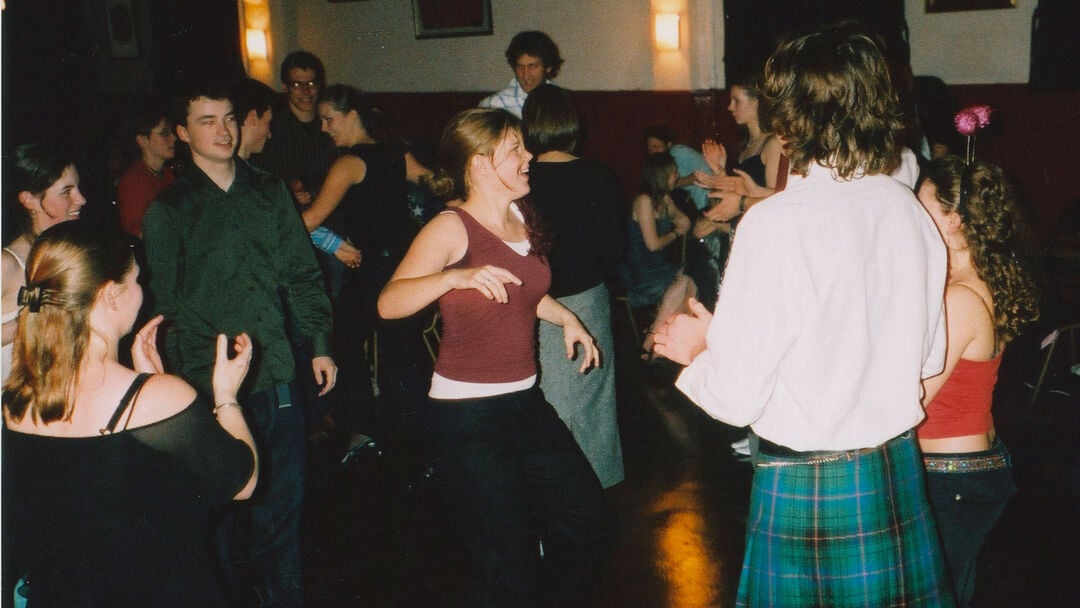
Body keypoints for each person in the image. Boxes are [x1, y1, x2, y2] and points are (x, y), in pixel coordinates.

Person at [653, 27, 954, 607]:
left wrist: (699, 349)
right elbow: (926, 359)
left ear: (790, 118)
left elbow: (736, 398)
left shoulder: (777, 222)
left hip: (809, 480)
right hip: (893, 467)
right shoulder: (908, 209)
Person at [378, 108, 614, 607]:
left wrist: (566, 318)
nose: (529, 156)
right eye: (516, 149)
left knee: (586, 520)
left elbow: (522, 288)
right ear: (480, 163)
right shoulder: (451, 227)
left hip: (525, 403)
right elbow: (389, 302)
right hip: (467, 415)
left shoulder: (521, 216)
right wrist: (453, 277)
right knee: (506, 558)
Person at [142, 81, 336, 608]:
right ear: (183, 133)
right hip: (207, 383)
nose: (223, 130)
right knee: (220, 520)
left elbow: (302, 271)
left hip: (276, 370)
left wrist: (319, 343)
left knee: (282, 513)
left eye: (228, 118)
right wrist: (181, 393)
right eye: (207, 121)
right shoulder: (169, 210)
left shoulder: (269, 190)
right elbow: (165, 309)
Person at [2, 221, 257, 607]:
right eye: (136, 279)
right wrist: (226, 395)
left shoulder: (15, 400)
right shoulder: (161, 397)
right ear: (110, 295)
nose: (143, 290)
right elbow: (243, 483)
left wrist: (151, 383)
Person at [916, 156, 1039, 607]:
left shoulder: (959, 297)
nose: (912, 214)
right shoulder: (969, 281)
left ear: (953, 221)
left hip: (952, 474)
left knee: (933, 594)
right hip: (964, 468)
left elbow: (914, 397)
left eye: (921, 205)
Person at [303, 83, 431, 464]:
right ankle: (414, 442)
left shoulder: (348, 163)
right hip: (405, 266)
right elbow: (433, 181)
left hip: (370, 269)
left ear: (352, 116)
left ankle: (364, 432)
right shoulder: (395, 151)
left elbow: (310, 220)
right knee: (400, 354)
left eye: (329, 119)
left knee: (344, 344)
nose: (324, 128)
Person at [521, 83, 625, 488]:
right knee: (592, 398)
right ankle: (594, 486)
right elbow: (615, 247)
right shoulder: (598, 174)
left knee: (545, 397)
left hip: (533, 300)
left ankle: (556, 489)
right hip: (586, 295)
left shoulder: (521, 179)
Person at [233, 77, 361, 270]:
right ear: (252, 118)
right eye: (268, 123)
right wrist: (332, 243)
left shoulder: (249, 173)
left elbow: (278, 222)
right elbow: (273, 229)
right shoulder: (235, 176)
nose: (269, 134)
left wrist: (332, 243)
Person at [2, 143, 86, 382]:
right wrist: (28, 323)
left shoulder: (62, 256)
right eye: (66, 191)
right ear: (29, 200)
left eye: (77, 188)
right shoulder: (7, 264)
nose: (81, 199)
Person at [621, 152, 693, 357]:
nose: (677, 176)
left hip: (657, 265)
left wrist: (679, 222)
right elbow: (652, 245)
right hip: (639, 269)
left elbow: (685, 221)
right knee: (686, 282)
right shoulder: (644, 200)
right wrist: (675, 232)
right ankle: (655, 340)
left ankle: (654, 344)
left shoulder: (664, 199)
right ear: (662, 174)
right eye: (673, 172)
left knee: (692, 278)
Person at [694, 74, 783, 222]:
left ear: (756, 103)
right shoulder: (747, 143)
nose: (730, 107)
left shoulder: (772, 144)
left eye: (736, 101)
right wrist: (719, 172)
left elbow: (776, 199)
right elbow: (738, 195)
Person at [116, 101, 177, 237]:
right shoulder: (134, 180)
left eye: (171, 132)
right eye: (165, 133)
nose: (174, 138)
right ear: (143, 140)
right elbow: (135, 230)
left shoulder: (168, 174)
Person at [479, 30, 564, 118]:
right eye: (520, 67)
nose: (525, 75)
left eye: (533, 67)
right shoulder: (494, 105)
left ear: (548, 67)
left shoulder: (563, 100)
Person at [643, 124, 716, 212]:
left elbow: (706, 173)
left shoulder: (678, 152)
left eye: (656, 147)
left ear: (669, 144)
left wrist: (669, 184)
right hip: (697, 204)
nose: (653, 152)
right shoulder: (659, 164)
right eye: (650, 149)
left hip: (708, 200)